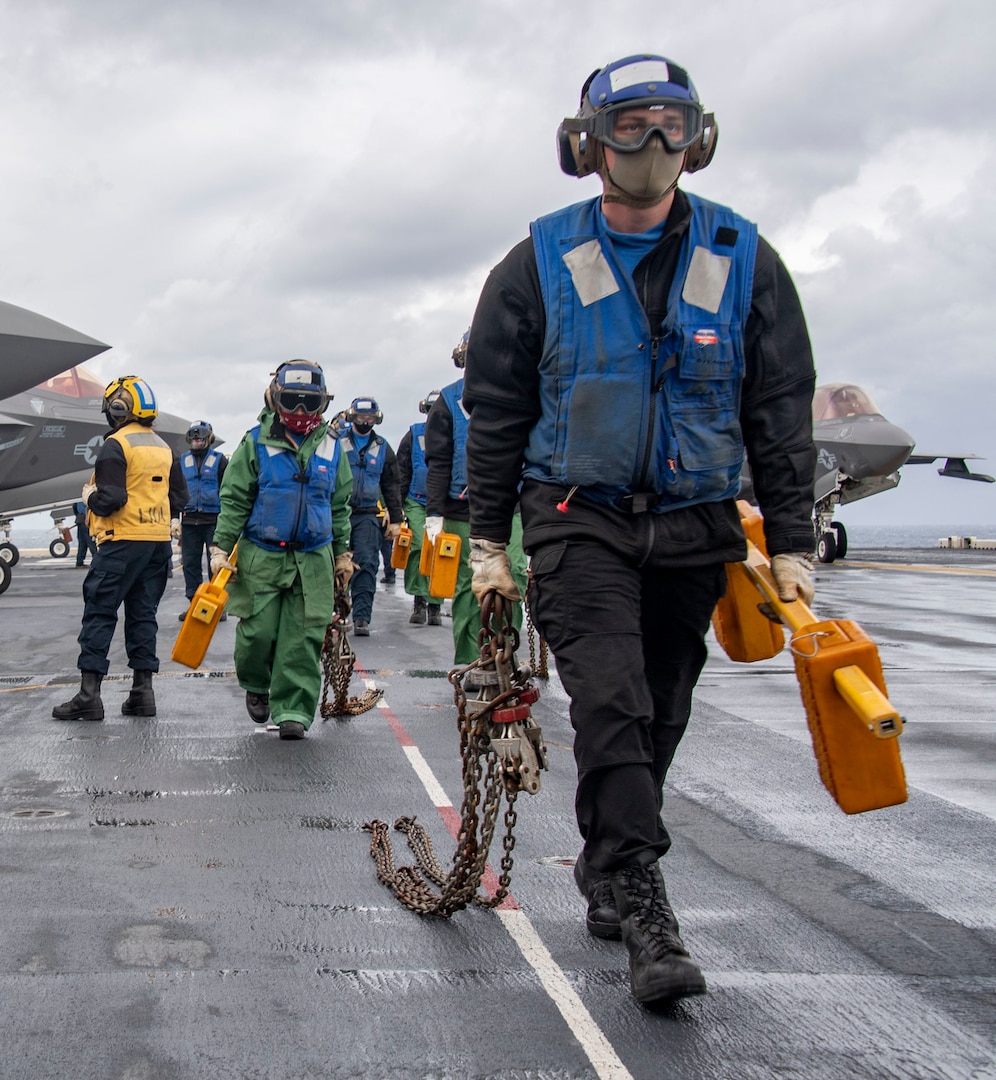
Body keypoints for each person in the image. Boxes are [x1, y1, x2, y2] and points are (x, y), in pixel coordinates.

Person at [463, 54, 816, 1008]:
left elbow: (778, 407)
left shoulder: (744, 257)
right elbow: (494, 407)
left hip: (696, 523)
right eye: (630, 125)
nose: (652, 145)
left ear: (697, 136)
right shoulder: (536, 262)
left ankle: (605, 860)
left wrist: (789, 541)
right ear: (588, 143)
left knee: (660, 707)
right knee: (610, 702)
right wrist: (486, 542)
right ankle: (649, 908)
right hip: (579, 518)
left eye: (669, 123)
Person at [210, 360, 353, 740]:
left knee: (303, 639)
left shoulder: (333, 447)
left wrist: (343, 554)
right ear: (276, 399)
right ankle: (257, 683)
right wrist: (221, 548)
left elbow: (339, 506)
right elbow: (235, 498)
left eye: (311, 403)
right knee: (257, 634)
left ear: (322, 404)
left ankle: (293, 710)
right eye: (293, 401)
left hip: (313, 560)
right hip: (263, 556)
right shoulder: (254, 442)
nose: (302, 412)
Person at [52, 376, 187, 722]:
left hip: (121, 543)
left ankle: (89, 696)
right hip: (157, 546)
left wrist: (88, 498)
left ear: (118, 409)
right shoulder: (164, 447)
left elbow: (112, 499)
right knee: (143, 616)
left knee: (100, 613)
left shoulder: (116, 445)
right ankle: (143, 694)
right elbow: (180, 499)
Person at [425, 332, 528, 663]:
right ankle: (470, 660)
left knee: (513, 579)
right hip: (461, 512)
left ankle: (504, 653)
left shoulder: (522, 396)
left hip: (510, 509)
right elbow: (438, 461)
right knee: (470, 590)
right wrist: (434, 513)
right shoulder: (447, 403)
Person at [339, 396, 403, 635]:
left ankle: (362, 618)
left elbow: (392, 485)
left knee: (367, 563)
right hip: (338, 513)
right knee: (336, 563)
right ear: (351, 417)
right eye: (361, 417)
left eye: (369, 418)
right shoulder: (337, 442)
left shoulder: (383, 447)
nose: (365, 422)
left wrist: (396, 519)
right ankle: (337, 611)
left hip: (367, 515)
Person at [395, 391, 444, 626]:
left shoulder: (455, 433)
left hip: (445, 502)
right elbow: (401, 470)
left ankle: (436, 604)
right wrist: (398, 505)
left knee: (441, 551)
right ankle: (419, 600)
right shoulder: (413, 434)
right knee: (417, 546)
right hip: (416, 500)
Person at [177, 421, 228, 619]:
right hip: (189, 521)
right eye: (194, 436)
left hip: (213, 520)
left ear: (209, 438)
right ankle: (194, 603)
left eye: (201, 436)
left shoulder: (219, 460)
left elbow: (228, 490)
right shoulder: (182, 461)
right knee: (190, 563)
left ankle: (216, 606)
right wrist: (175, 519)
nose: (197, 440)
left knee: (214, 563)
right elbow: (175, 491)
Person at [71, 497, 94, 567]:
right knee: (90, 541)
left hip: (79, 519)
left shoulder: (77, 498)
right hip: (85, 519)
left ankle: (79, 562)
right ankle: (96, 560)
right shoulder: (85, 497)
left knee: (82, 542)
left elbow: (74, 507)